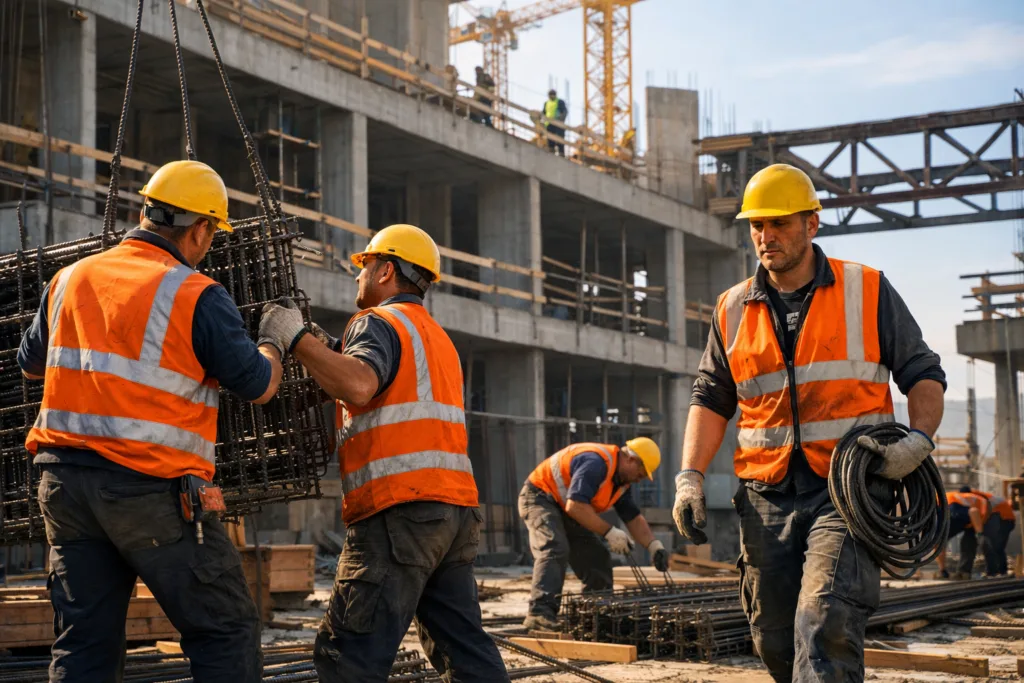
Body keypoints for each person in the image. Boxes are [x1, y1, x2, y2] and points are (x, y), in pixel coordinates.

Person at [671, 163, 946, 682]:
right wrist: (691, 476)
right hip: (764, 495)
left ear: (812, 224)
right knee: (773, 637)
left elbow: (923, 373)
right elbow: (710, 398)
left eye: (779, 223)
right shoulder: (731, 308)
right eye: (757, 225)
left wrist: (920, 440)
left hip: (847, 492)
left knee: (822, 620)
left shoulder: (866, 289)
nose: (765, 236)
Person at [18, 160, 285, 682]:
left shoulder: (69, 279)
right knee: (224, 630)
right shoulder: (195, 294)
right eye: (212, 234)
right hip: (151, 490)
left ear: (145, 211)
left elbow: (30, 366)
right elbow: (258, 385)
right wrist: (275, 338)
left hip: (64, 488)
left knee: (84, 646)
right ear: (201, 228)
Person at [259, 224, 509, 683]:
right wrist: (326, 352)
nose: (358, 277)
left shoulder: (377, 322)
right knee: (466, 653)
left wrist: (295, 340)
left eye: (364, 266)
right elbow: (382, 385)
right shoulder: (435, 338)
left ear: (386, 271)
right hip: (452, 516)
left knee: (349, 656)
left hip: (400, 512)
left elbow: (359, 384)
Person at [518, 438, 666, 631]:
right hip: (540, 497)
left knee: (598, 558)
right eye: (641, 472)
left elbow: (633, 518)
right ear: (631, 458)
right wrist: (609, 532)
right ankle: (539, 615)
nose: (641, 478)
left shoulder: (620, 483)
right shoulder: (596, 463)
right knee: (555, 548)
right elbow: (576, 506)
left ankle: (595, 618)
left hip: (566, 508)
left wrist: (653, 545)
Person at [936, 488, 995, 579]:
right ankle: (964, 571)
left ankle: (944, 571)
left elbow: (973, 511)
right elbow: (973, 511)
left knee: (939, 543)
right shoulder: (972, 498)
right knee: (970, 541)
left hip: (950, 515)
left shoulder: (950, 497)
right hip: (966, 517)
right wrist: (980, 533)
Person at [542, 89, 568, 156]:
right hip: (549, 124)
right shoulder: (546, 103)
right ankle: (551, 151)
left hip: (558, 124)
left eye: (553, 95)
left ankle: (561, 153)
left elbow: (564, 112)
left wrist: (560, 120)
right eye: (550, 95)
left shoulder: (560, 102)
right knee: (550, 139)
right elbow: (544, 113)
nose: (551, 96)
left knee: (560, 139)